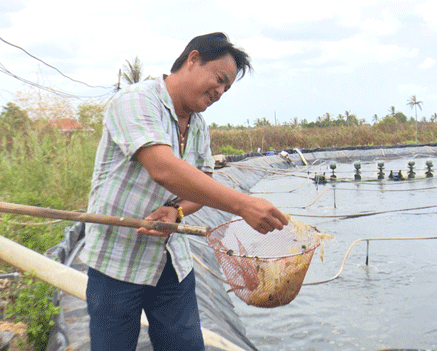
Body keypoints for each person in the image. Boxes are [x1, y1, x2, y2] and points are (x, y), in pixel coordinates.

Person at [80, 32, 289, 351]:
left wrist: (176, 212)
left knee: (186, 344)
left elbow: (202, 179)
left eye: (226, 88)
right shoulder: (137, 100)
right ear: (192, 60)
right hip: (116, 260)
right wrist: (243, 205)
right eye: (219, 79)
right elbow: (163, 169)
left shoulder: (198, 125)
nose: (220, 92)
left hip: (170, 261)